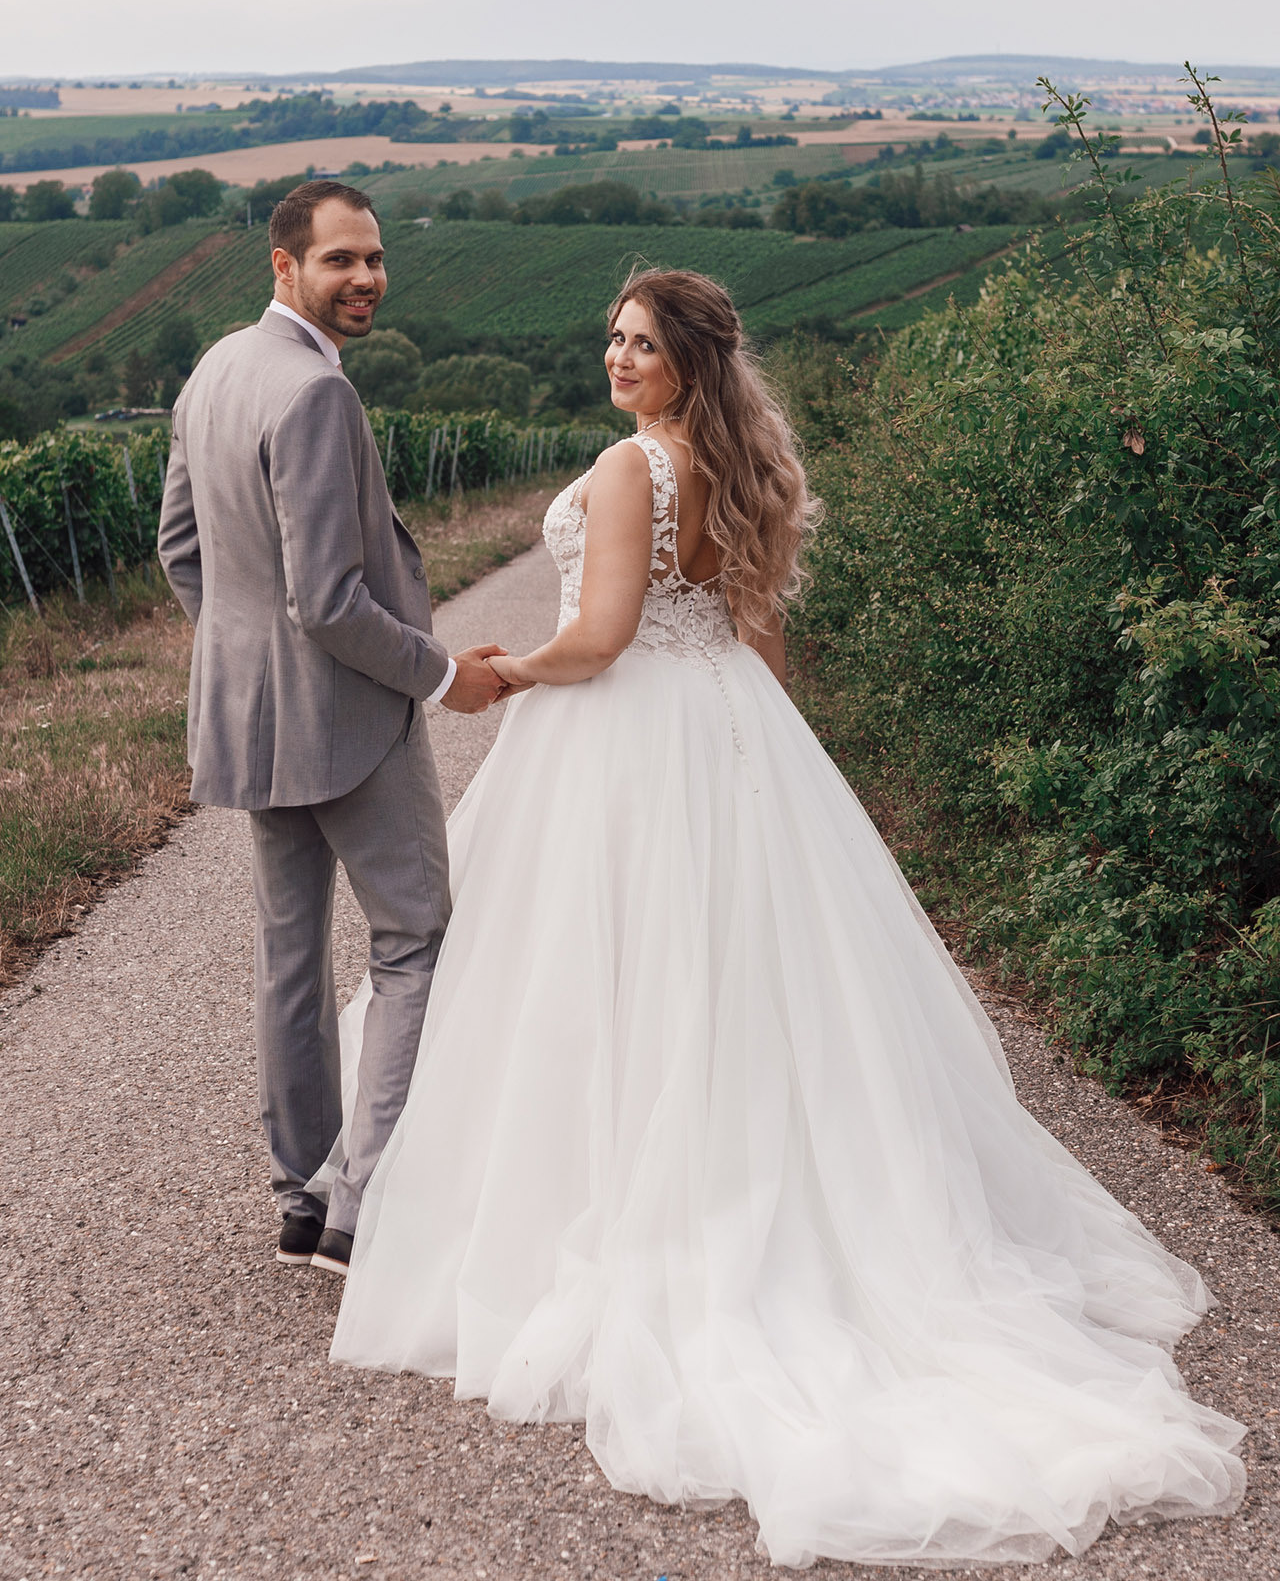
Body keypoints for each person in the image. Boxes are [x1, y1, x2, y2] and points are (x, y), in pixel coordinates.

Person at [327, 266, 1245, 1568]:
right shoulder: (738, 465)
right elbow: (753, 643)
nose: (616, 357)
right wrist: (772, 770)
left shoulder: (637, 465)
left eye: (641, 343)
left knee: (608, 973)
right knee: (737, 981)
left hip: (630, 736)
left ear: (688, 360)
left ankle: (606, 1195)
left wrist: (500, 675)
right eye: (612, 336)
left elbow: (600, 636)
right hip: (724, 729)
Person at [158, 180, 505, 1278]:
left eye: (373, 258)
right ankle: (361, 1203)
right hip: (348, 719)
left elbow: (181, 551)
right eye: (339, 261)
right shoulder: (314, 394)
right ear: (284, 266)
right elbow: (331, 601)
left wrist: (242, 663)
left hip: (252, 723)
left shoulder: (214, 369)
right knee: (411, 942)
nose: (363, 278)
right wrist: (445, 674)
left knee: (290, 960)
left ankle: (299, 1192)